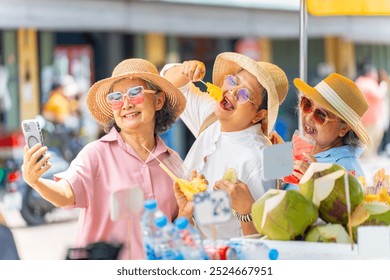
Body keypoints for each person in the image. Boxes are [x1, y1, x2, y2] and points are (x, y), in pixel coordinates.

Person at [21, 58, 186, 259]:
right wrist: (35, 181)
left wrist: (189, 208)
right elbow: (65, 194)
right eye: (117, 97)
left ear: (158, 101)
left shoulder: (173, 162)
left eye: (135, 93)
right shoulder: (96, 154)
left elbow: (180, 228)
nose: (126, 104)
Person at [162, 52, 288, 239]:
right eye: (233, 81)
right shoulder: (212, 118)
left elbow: (268, 238)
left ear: (260, 115)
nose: (233, 92)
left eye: (245, 94)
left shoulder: (263, 157)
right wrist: (187, 69)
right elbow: (168, 82)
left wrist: (246, 210)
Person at [284, 73, 372, 190]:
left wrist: (316, 185)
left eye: (321, 114)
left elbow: (347, 207)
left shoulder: (348, 170)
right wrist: (269, 148)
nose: (309, 117)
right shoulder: (299, 147)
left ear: (343, 128)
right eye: (307, 104)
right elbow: (264, 184)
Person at [355, 63, 387, 159]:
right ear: (369, 73)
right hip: (370, 120)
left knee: (362, 143)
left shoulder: (358, 81)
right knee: (368, 145)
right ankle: (367, 165)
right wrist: (383, 87)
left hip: (359, 119)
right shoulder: (369, 82)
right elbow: (378, 95)